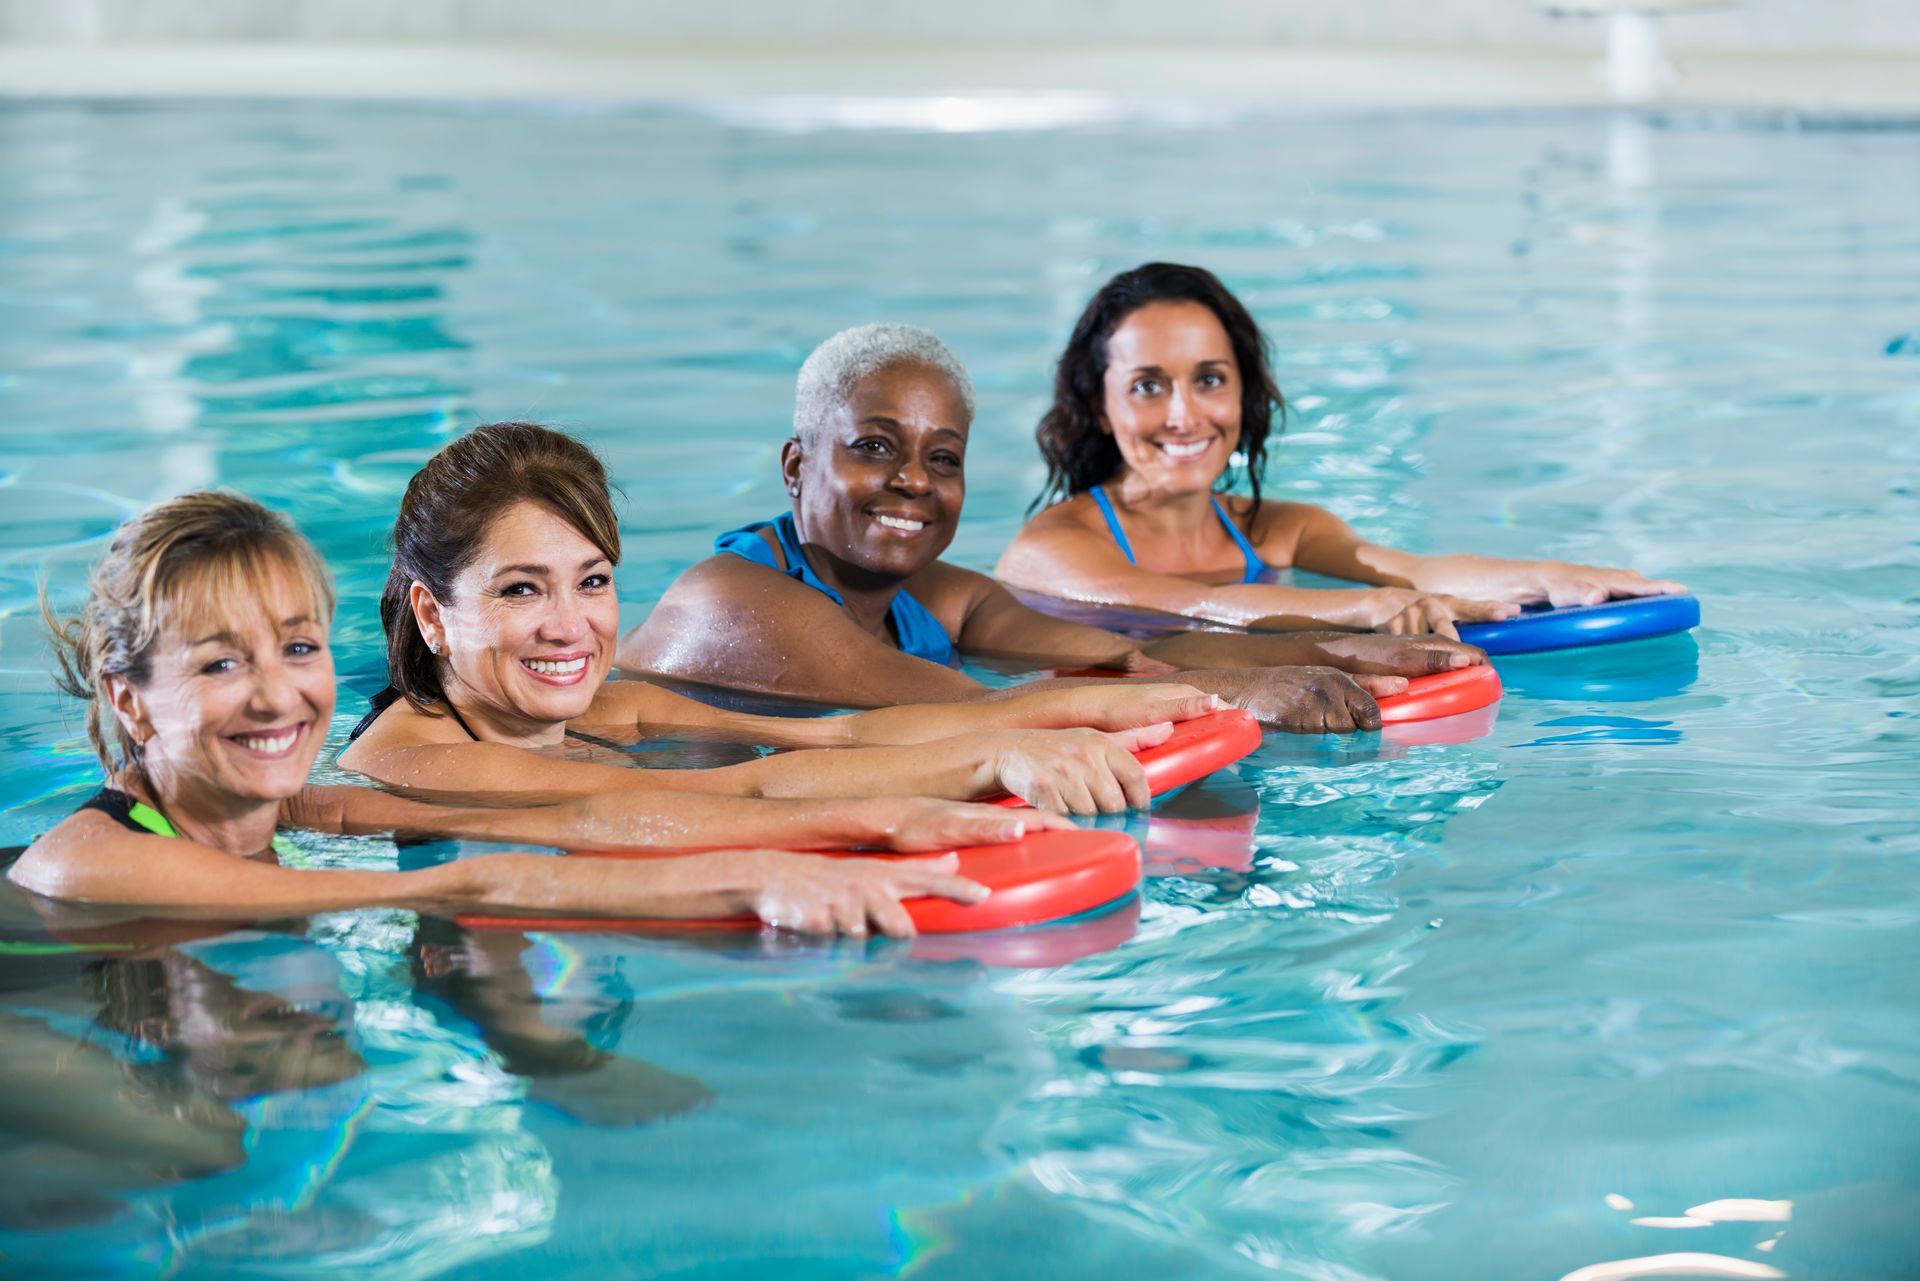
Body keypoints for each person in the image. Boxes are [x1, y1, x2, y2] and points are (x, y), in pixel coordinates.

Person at [12, 491, 1004, 938]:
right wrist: (749, 880)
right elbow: (460, 882)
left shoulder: (301, 811)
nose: (281, 695)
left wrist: (869, 822)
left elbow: (570, 821)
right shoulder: (85, 860)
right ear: (128, 698)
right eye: (222, 663)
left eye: (299, 648)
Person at [620, 324, 1487, 733]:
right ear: (798, 465)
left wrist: (1347, 651)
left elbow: (1123, 656)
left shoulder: (939, 596)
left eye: (944, 457)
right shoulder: (730, 597)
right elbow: (979, 708)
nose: (914, 480)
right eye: (874, 447)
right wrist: (1240, 691)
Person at [341, 421, 1226, 814]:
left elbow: (836, 739)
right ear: (432, 612)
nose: (571, 627)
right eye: (521, 590)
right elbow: (717, 796)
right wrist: (991, 761)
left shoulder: (591, 707)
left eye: (593, 581)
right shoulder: (420, 759)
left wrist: (1133, 701)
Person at [995, 262, 1687, 635]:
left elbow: (1411, 569)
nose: (1184, 416)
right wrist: (1360, 613)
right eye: (1148, 385)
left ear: (1243, 393)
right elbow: (1187, 606)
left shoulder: (1278, 529)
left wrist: (1550, 576)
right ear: (1098, 403)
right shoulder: (1052, 546)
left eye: (1210, 379)